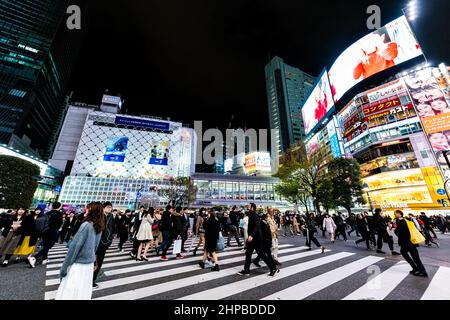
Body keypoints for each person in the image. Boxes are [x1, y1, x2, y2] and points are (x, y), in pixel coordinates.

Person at [55, 202, 105, 300]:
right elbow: (95, 246)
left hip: (78, 264)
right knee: (83, 290)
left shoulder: (86, 225)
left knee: (70, 291)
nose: (85, 210)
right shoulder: (99, 226)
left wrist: (64, 268)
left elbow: (74, 248)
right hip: (89, 264)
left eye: (87, 208)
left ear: (91, 210)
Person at [237, 203, 279, 277]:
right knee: (248, 254)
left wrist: (251, 236)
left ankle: (273, 268)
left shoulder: (255, 215)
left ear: (252, 207)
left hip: (256, 239)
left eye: (249, 206)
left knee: (261, 254)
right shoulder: (250, 215)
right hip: (252, 239)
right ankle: (246, 270)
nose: (247, 207)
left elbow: (257, 226)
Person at [29, 202, 64, 266]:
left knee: (45, 245)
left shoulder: (47, 213)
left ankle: (45, 259)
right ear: (59, 207)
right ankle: (34, 257)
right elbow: (59, 224)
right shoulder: (59, 214)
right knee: (49, 246)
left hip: (44, 231)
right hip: (53, 231)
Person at [394, 210, 428, 277]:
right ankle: (415, 268)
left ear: (400, 214)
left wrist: (395, 229)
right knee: (406, 253)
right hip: (408, 242)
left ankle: (423, 271)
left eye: (396, 213)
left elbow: (399, 232)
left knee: (415, 257)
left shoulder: (401, 221)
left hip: (408, 242)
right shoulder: (405, 220)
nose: (395, 215)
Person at [92, 202, 114, 289]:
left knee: (99, 263)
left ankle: (92, 280)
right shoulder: (99, 216)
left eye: (111, 207)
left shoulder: (111, 217)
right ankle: (88, 280)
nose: (110, 209)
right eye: (108, 207)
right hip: (96, 242)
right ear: (103, 208)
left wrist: (109, 240)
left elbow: (111, 228)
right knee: (92, 263)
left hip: (104, 244)